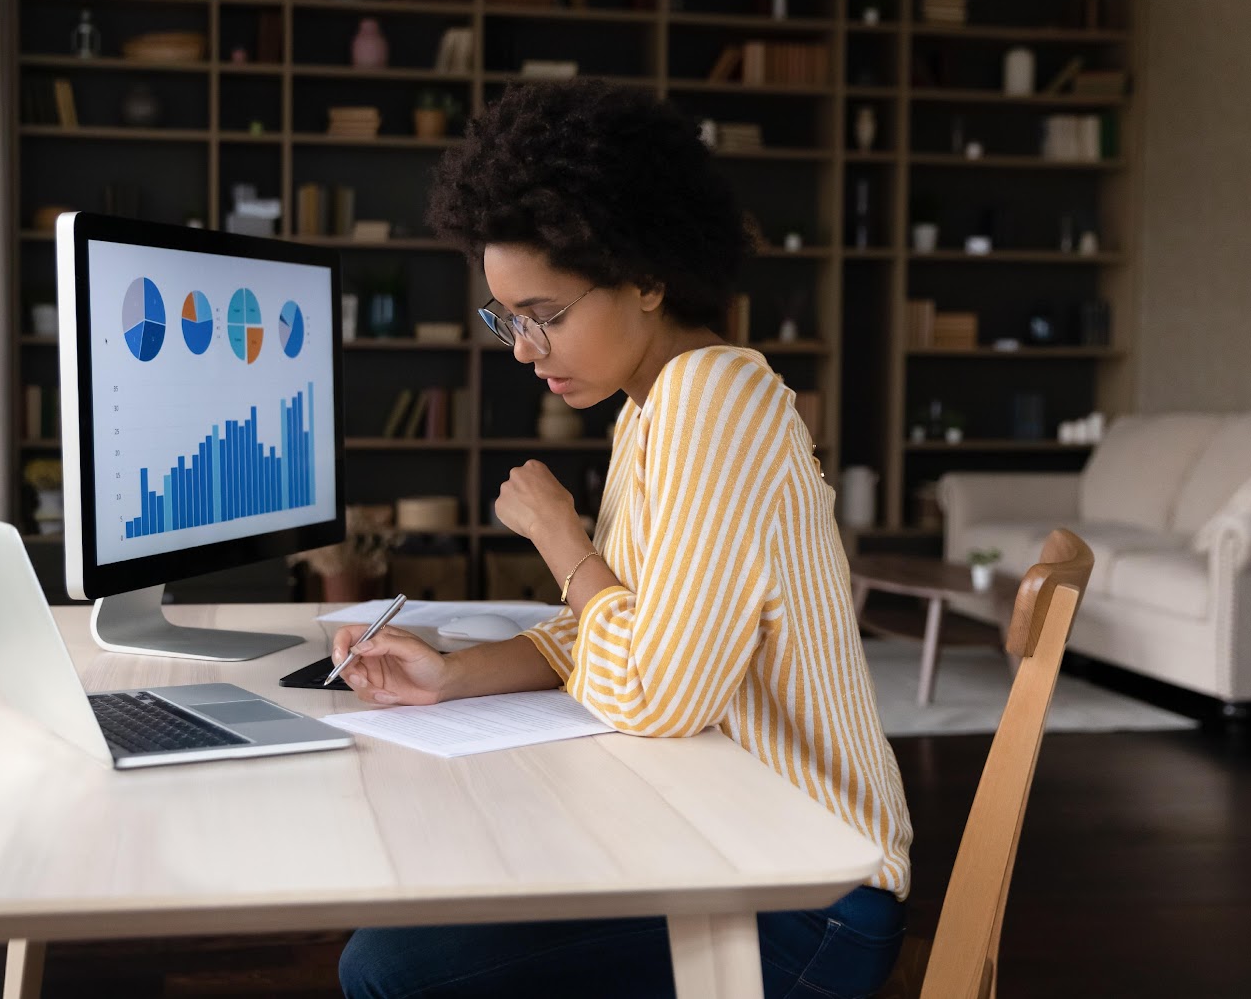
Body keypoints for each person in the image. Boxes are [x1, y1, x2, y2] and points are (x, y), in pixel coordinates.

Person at [334, 79, 912, 999]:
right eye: (508, 319)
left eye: (547, 316)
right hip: (730, 839)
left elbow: (653, 690)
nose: (524, 349)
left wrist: (562, 537)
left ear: (649, 276)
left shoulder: (712, 400)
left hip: (810, 892)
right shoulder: (652, 407)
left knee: (390, 970)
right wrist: (452, 675)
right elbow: (621, 627)